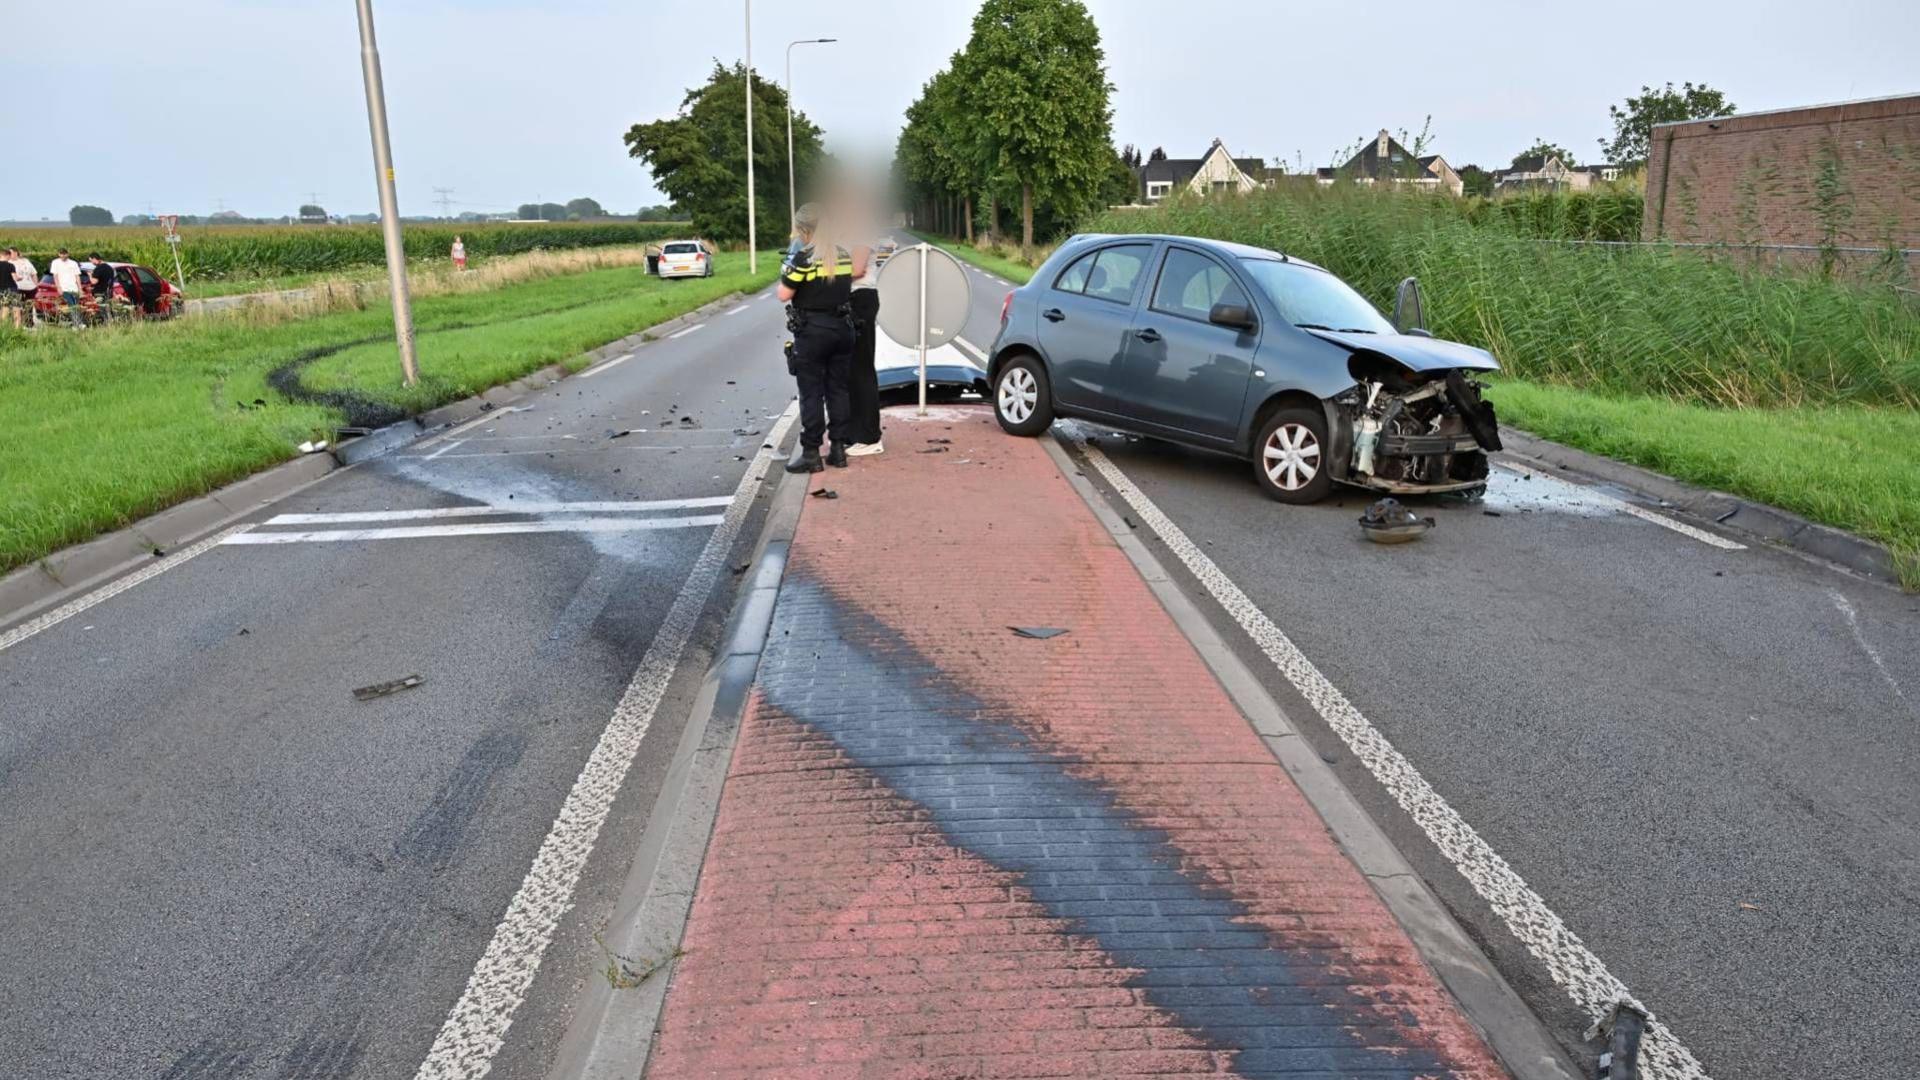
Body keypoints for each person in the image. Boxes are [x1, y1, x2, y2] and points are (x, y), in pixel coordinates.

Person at [778, 203, 864, 473]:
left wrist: (787, 270)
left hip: (813, 332)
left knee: (811, 393)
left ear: (804, 229)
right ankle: (838, 450)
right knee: (838, 390)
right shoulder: (842, 255)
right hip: (843, 329)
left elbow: (784, 294)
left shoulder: (803, 258)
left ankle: (812, 453)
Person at [842, 228, 883, 456]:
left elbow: (857, 269)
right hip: (849, 299)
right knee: (849, 370)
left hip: (861, 300)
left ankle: (870, 437)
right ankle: (853, 431)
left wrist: (822, 276)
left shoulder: (863, 228)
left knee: (862, 368)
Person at [49, 248, 84, 329]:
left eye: (64, 254)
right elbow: (55, 276)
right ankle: (77, 324)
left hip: (74, 288)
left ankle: (78, 323)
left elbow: (77, 276)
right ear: (58, 254)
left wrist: (80, 288)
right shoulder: (55, 262)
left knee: (76, 306)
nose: (63, 255)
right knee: (71, 305)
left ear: (68, 254)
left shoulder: (73, 263)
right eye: (61, 254)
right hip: (64, 288)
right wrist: (59, 287)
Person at [6, 248, 37, 327]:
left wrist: (36, 285)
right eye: (9, 253)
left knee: (29, 306)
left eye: (11, 252)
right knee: (18, 307)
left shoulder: (26, 261)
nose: (10, 254)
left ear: (16, 252)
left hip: (30, 287)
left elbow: (33, 273)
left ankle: (29, 323)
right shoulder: (9, 263)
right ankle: (18, 324)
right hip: (17, 287)